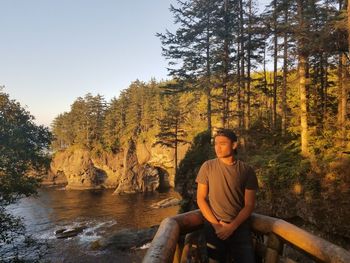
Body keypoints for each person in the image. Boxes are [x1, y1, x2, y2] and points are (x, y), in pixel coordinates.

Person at [196, 128, 258, 263]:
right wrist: (217, 226)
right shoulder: (207, 167)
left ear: (234, 145)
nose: (217, 148)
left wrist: (232, 226)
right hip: (214, 227)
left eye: (222, 144)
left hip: (240, 228)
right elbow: (200, 198)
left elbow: (249, 205)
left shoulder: (246, 171)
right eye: (216, 144)